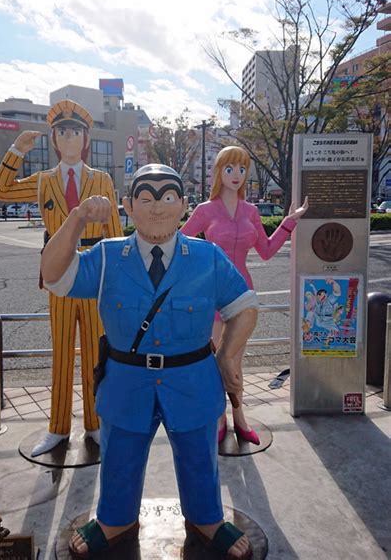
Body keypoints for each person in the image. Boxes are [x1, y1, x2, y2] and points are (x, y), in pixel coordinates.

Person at [42, 164, 258, 559]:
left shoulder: (206, 257)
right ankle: (115, 517)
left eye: (168, 198)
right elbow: (54, 275)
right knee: (120, 453)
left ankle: (206, 517)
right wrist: (76, 219)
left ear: (184, 205)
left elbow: (244, 306)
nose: (157, 208)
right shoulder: (107, 257)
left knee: (198, 454)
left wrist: (228, 357)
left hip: (191, 378)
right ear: (127, 206)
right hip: (127, 381)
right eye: (145, 199)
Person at [0, 99, 123, 456]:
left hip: (94, 274)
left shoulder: (102, 179)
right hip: (59, 274)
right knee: (62, 351)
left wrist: (118, 278)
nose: (69, 138)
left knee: (98, 353)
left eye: (75, 132)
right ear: (53, 139)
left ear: (85, 140)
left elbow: (113, 231)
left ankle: (96, 424)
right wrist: (16, 150)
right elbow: (2, 190)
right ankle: (57, 428)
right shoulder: (44, 181)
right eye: (62, 131)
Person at [181, 146, 308, 445]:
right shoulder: (204, 210)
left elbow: (266, 251)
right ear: (218, 172)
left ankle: (240, 419)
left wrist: (290, 221)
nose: (236, 175)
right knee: (215, 360)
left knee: (236, 360)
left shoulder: (251, 211)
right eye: (229, 169)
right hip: (212, 296)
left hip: (243, 296)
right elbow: (181, 245)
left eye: (241, 169)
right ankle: (218, 418)